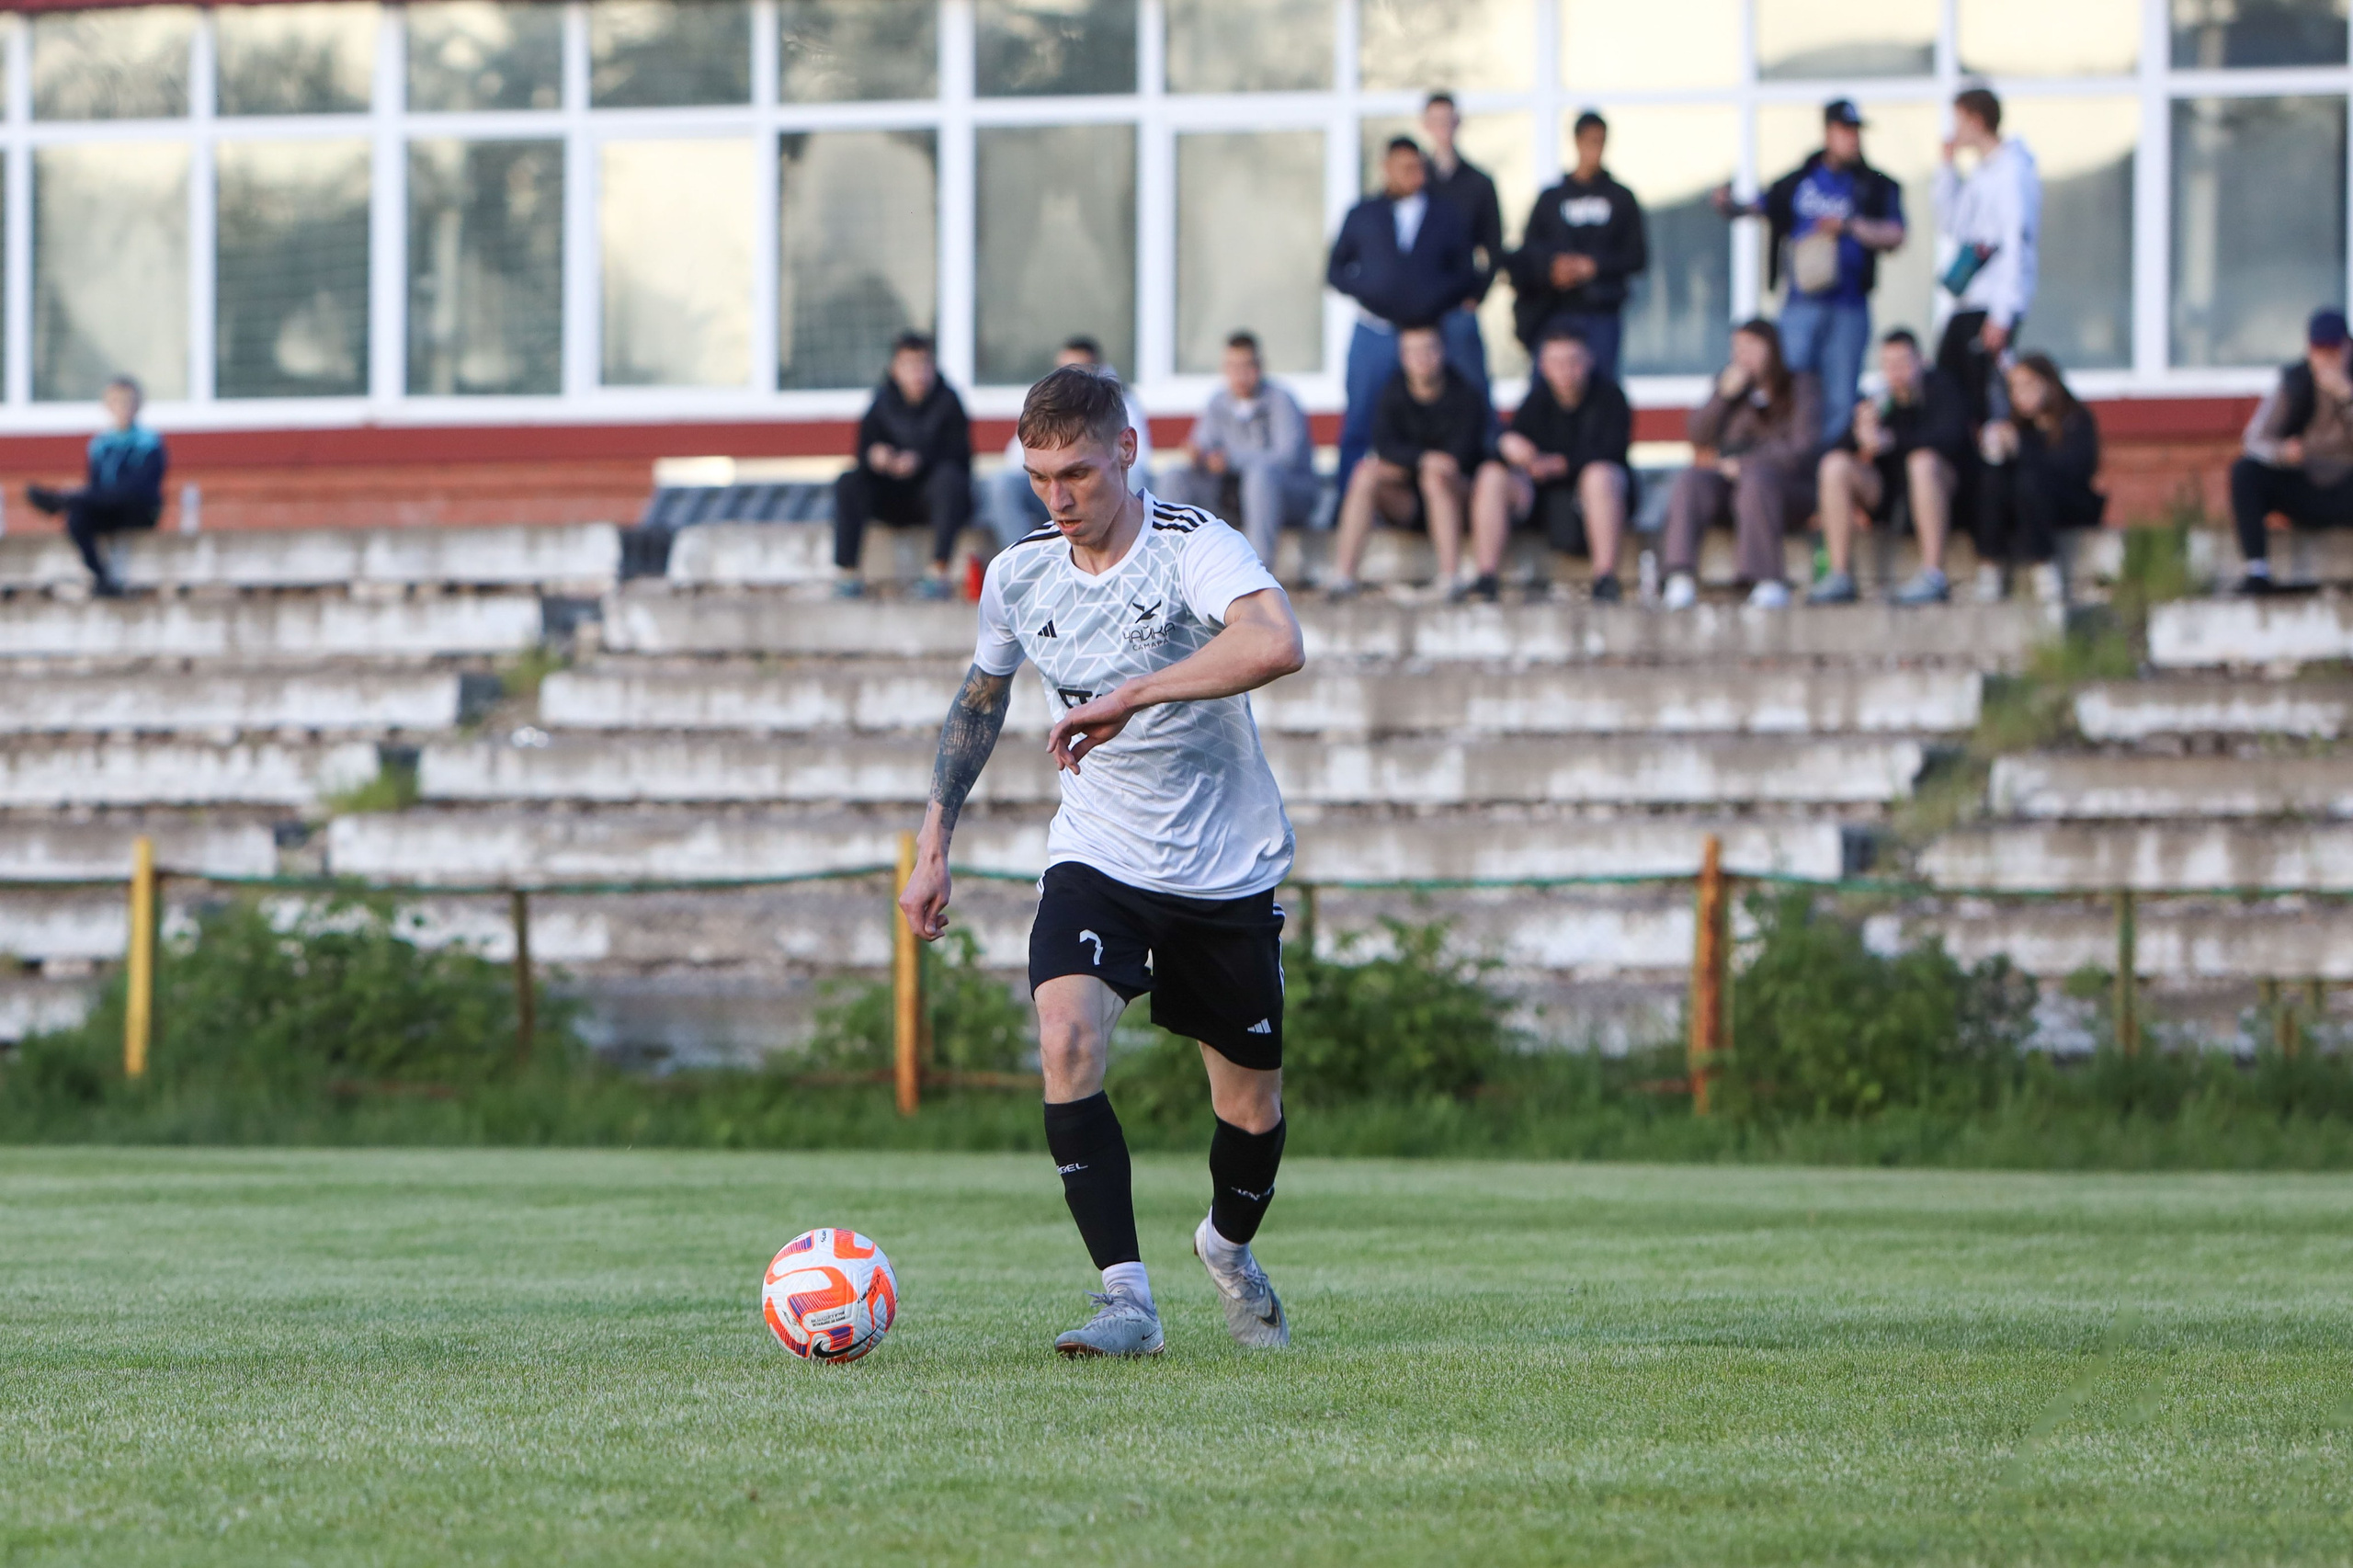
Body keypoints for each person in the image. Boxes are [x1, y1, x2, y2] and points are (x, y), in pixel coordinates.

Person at [897, 363, 1306, 1359]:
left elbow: (1276, 641)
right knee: (1066, 1037)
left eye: (1077, 472)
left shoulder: (1193, 545)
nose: (1059, 497)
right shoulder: (1019, 573)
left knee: (1250, 1108)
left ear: (1126, 451)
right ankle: (1128, 1300)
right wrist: (934, 840)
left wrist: (1134, 694)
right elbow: (980, 699)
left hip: (1221, 864)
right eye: (1039, 478)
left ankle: (1227, 1246)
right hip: (1098, 853)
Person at [1715, 99, 1906, 443]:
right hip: (1801, 302)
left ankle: (1826, 462)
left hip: (1849, 304)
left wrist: (1849, 226)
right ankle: (1789, 455)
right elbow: (1761, 207)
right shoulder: (1799, 181)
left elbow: (1896, 234)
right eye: (1845, 131)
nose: (1853, 139)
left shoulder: (1873, 184)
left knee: (1840, 395)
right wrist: (1730, 205)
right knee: (1790, 383)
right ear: (1828, 132)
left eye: (1856, 132)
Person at [1327, 136, 1482, 484]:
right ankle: (1346, 497)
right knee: (1360, 414)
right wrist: (1370, 289)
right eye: (1405, 167)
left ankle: (1461, 493)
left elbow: (1465, 271)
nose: (1414, 174)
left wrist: (1435, 295)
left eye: (1418, 167)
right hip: (1376, 329)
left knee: (1451, 408)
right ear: (1387, 168)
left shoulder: (1445, 214)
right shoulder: (1363, 213)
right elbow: (1336, 270)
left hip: (1430, 332)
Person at [1661, 319, 1822, 610]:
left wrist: (1746, 464)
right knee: (1691, 480)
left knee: (1756, 480)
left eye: (1750, 347)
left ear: (1771, 348)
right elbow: (1698, 435)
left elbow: (1802, 447)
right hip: (1733, 488)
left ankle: (1767, 580)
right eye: (1737, 348)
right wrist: (1722, 397)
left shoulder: (1800, 386)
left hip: (1787, 489)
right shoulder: (1730, 389)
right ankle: (1679, 576)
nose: (1742, 356)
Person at [1327, 323, 1490, 600]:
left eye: (1428, 349)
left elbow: (1463, 455)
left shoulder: (1465, 393)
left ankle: (1450, 577)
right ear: (1402, 356)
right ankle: (1343, 576)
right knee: (1365, 474)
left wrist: (1428, 465)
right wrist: (1423, 459)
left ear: (1443, 351)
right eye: (1412, 351)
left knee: (1435, 478)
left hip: (1456, 497)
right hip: (1408, 500)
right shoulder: (1391, 391)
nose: (1421, 358)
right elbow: (1384, 445)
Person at [1469, 327, 1631, 603]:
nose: (1565, 371)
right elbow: (1509, 446)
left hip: (1598, 499)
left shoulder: (1610, 397)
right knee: (1491, 475)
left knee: (1600, 476)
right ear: (1543, 366)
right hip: (1544, 501)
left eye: (1573, 361)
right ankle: (1486, 579)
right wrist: (1509, 446)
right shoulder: (1536, 400)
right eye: (1556, 362)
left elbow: (1612, 450)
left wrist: (1561, 464)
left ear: (1589, 360)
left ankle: (1605, 579)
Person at [1811, 329, 1972, 606]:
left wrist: (1894, 441)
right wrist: (1859, 436)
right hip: (1888, 494)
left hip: (1942, 491)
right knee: (1834, 465)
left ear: (1921, 361)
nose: (1896, 372)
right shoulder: (1877, 398)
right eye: (1888, 364)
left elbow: (1952, 440)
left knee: (1922, 463)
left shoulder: (1942, 389)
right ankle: (1839, 575)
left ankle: (1933, 574)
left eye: (1903, 363)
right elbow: (1835, 448)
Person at [1506, 111, 1647, 381]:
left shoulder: (1621, 198)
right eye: (1590, 141)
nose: (1596, 149)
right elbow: (1528, 252)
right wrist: (1555, 268)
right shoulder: (1552, 198)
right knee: (1547, 387)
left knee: (1601, 387)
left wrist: (1594, 266)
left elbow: (1637, 257)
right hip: (1554, 310)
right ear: (1577, 142)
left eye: (1601, 141)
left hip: (1602, 310)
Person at [833, 333, 972, 600]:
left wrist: (920, 460)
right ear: (895, 369)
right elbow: (863, 450)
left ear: (933, 367)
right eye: (909, 365)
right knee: (848, 482)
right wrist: (877, 457)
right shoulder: (881, 401)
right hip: (889, 495)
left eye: (923, 364)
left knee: (949, 480)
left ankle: (939, 572)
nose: (917, 373)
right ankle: (847, 574)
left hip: (932, 498)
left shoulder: (949, 401)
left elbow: (961, 456)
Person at [1162, 332, 1318, 567]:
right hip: (1231, 496)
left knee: (1261, 476)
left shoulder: (1281, 401)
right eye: (1233, 367)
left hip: (1287, 494)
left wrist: (1232, 460)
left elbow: (1287, 457)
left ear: (1260, 367)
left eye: (1247, 366)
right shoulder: (1217, 402)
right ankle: (1169, 564)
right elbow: (1203, 444)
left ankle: (1258, 571)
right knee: (1174, 476)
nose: (1240, 375)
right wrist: (1198, 456)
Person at [1932, 86, 2040, 427]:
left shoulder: (2012, 172)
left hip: (1993, 304)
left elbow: (2015, 243)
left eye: (1959, 121)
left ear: (1977, 121)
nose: (1954, 130)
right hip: (1969, 300)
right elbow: (1951, 224)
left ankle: (1994, 455)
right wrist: (1946, 169)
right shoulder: (1981, 174)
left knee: (1985, 397)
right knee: (1952, 390)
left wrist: (2002, 314)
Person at [2229, 307, 2353, 596]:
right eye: (2319, 350)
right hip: (2306, 485)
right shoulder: (2295, 382)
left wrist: (2347, 396)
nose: (2327, 358)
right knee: (2245, 472)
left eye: (2333, 350)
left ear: (2347, 347)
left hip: (2348, 487)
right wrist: (2282, 452)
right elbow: (2254, 440)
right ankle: (2257, 571)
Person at [984, 336, 1152, 550]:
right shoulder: (1044, 405)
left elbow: (1139, 461)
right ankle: (1024, 550)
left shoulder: (1121, 402)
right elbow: (1017, 458)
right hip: (1037, 521)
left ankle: (1133, 544)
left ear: (1098, 369)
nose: (1058, 502)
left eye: (1078, 473)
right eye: (1063, 369)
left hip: (1119, 498)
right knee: (1002, 483)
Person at [1976, 353, 2101, 603]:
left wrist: (2021, 447)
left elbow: (2074, 468)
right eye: (2014, 387)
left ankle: (2044, 565)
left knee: (2030, 481)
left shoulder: (2076, 419)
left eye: (2028, 385)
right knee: (1993, 480)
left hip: (2067, 503)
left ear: (2049, 384)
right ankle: (1990, 564)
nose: (2020, 394)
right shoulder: (2015, 425)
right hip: (2022, 508)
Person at [27, 376, 166, 598]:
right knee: (77, 516)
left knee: (107, 496)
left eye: (128, 402)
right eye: (117, 402)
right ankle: (101, 577)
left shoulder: (149, 442)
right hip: (107, 508)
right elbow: (95, 485)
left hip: (139, 509)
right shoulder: (101, 445)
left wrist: (85, 495)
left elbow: (140, 487)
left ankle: (60, 501)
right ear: (108, 406)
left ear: (138, 405)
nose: (123, 408)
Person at [1421, 91, 1504, 396]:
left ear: (1458, 122)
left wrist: (1477, 295)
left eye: (1448, 119)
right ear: (1425, 124)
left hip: (1459, 306)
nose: (1443, 127)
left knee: (1472, 388)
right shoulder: (1414, 181)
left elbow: (1495, 246)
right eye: (1436, 120)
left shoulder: (1479, 183)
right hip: (1416, 309)